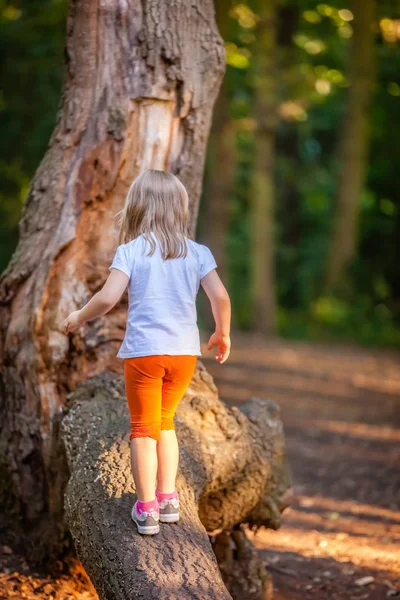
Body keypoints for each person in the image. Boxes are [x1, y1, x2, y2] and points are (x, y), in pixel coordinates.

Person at [63, 169, 231, 535]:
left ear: (138, 208)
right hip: (184, 354)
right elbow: (219, 296)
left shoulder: (132, 251)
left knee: (142, 429)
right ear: (179, 208)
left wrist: (79, 315)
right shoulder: (197, 252)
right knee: (165, 422)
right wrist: (222, 332)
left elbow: (108, 298)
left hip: (144, 354)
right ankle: (169, 498)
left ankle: (147, 508)